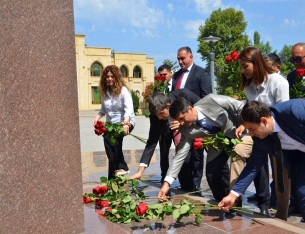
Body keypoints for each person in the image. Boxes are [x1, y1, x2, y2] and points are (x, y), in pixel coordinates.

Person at [218, 100, 305, 223]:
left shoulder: (295, 111)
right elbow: (253, 166)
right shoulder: (261, 139)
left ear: (264, 121)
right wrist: (233, 195)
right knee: (303, 192)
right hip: (301, 157)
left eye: (252, 129)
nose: (251, 134)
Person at [232, 47, 289, 215]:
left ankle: (281, 212)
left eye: (245, 66)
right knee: (249, 157)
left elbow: (283, 113)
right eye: (241, 67)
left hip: (279, 134)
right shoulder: (248, 87)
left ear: (256, 63)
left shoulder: (278, 83)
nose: (242, 71)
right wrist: (245, 125)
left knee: (280, 176)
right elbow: (252, 112)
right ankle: (259, 203)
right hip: (259, 134)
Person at [157, 94, 245, 202]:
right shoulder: (186, 130)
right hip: (220, 142)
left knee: (254, 164)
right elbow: (179, 156)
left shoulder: (212, 100)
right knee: (211, 173)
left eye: (182, 118)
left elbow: (242, 107)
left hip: (239, 132)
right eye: (178, 120)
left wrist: (243, 125)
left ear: (190, 109)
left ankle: (264, 202)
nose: (181, 123)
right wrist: (166, 184)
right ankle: (225, 202)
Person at [129, 89, 200, 188]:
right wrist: (140, 171)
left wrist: (184, 123)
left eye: (161, 113)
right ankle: (170, 181)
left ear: (168, 106)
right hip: (166, 132)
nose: (159, 117)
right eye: (157, 115)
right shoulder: (156, 118)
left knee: (188, 157)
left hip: (188, 131)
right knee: (164, 152)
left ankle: (193, 185)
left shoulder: (181, 96)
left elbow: (201, 111)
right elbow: (151, 144)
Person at [171, 46, 213, 192]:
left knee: (196, 154)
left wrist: (195, 117)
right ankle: (186, 183)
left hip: (195, 118)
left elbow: (207, 98)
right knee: (183, 152)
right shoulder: (176, 76)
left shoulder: (201, 74)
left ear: (191, 57)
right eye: (178, 59)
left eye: (182, 58)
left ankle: (196, 184)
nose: (180, 61)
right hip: (180, 121)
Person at [93, 65, 135, 180]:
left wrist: (126, 123)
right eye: (107, 76)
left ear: (116, 77)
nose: (109, 79)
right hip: (111, 124)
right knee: (109, 142)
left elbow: (129, 109)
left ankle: (122, 166)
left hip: (126, 121)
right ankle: (113, 177)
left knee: (113, 140)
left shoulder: (123, 90)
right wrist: (98, 117)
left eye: (112, 76)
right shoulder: (105, 92)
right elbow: (103, 109)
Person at [286, 42, 305, 217]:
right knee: (292, 167)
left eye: (298, 58)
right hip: (293, 132)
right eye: (292, 59)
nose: (295, 63)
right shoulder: (291, 77)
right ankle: (294, 204)